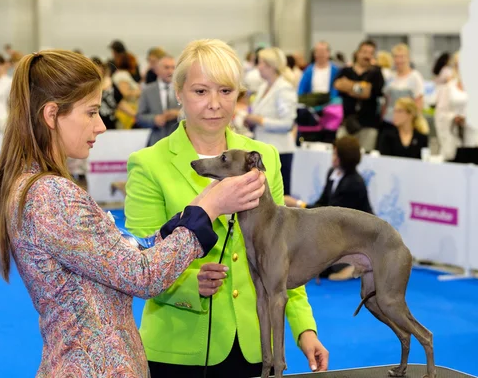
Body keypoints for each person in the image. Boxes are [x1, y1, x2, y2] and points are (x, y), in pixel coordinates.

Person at [0, 50, 267, 377]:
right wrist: (207, 212)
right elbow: (141, 276)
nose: (101, 125)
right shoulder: (52, 195)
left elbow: (120, 255)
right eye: (92, 112)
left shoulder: (38, 187)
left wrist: (192, 213)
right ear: (52, 115)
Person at [125, 39, 328, 378]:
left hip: (256, 345)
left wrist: (305, 330)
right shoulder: (148, 164)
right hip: (178, 351)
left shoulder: (265, 158)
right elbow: (138, 263)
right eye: (201, 91)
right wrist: (191, 284)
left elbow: (282, 256)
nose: (215, 104)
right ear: (178, 93)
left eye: (226, 91)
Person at [285, 136, 372, 281]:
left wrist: (298, 204)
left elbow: (331, 212)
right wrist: (301, 209)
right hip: (337, 230)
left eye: (335, 154)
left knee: (323, 269)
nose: (332, 157)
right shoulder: (333, 173)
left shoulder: (354, 183)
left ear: (343, 157)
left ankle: (357, 264)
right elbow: (323, 202)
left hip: (355, 235)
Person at [246, 47, 297, 196]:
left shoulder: (284, 88)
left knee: (279, 197)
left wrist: (260, 120)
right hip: (264, 147)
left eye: (260, 62)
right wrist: (251, 121)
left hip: (281, 150)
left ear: (270, 65)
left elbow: (287, 124)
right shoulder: (263, 87)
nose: (258, 67)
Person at [334, 40, 385, 152]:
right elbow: (338, 84)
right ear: (357, 53)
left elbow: (367, 93)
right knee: (341, 152)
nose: (367, 55)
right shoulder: (346, 70)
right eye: (364, 52)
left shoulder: (376, 73)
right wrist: (360, 88)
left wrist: (349, 86)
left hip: (368, 125)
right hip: (347, 122)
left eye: (370, 53)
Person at [136, 54, 181, 146]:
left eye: (173, 68)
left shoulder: (182, 89)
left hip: (180, 141)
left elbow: (193, 114)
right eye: (166, 67)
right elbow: (139, 117)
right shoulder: (147, 91)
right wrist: (154, 120)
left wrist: (178, 114)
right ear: (157, 70)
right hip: (156, 142)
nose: (170, 71)